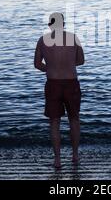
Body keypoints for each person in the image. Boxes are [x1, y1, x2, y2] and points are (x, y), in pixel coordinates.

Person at [34, 13, 85, 168]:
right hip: (71, 83)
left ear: (50, 24)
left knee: (54, 122)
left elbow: (37, 64)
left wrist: (50, 67)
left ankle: (57, 160)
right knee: (74, 120)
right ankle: (75, 156)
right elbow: (81, 61)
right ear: (63, 24)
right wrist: (67, 64)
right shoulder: (73, 38)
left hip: (53, 83)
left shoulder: (43, 40)